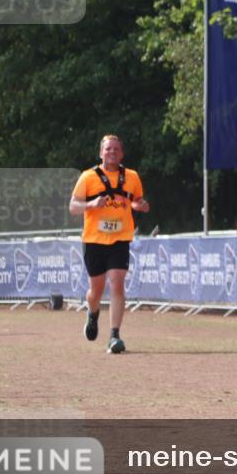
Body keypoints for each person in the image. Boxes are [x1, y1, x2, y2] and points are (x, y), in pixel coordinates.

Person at [68, 135, 149, 354]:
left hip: (120, 238)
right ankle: (92, 314)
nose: (111, 152)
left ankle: (114, 336)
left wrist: (140, 205)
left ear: (121, 154)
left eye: (116, 149)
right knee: (96, 290)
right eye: (107, 149)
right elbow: (73, 207)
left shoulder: (131, 176)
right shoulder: (88, 177)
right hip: (94, 239)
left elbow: (137, 200)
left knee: (117, 283)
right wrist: (91, 203)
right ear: (100, 153)